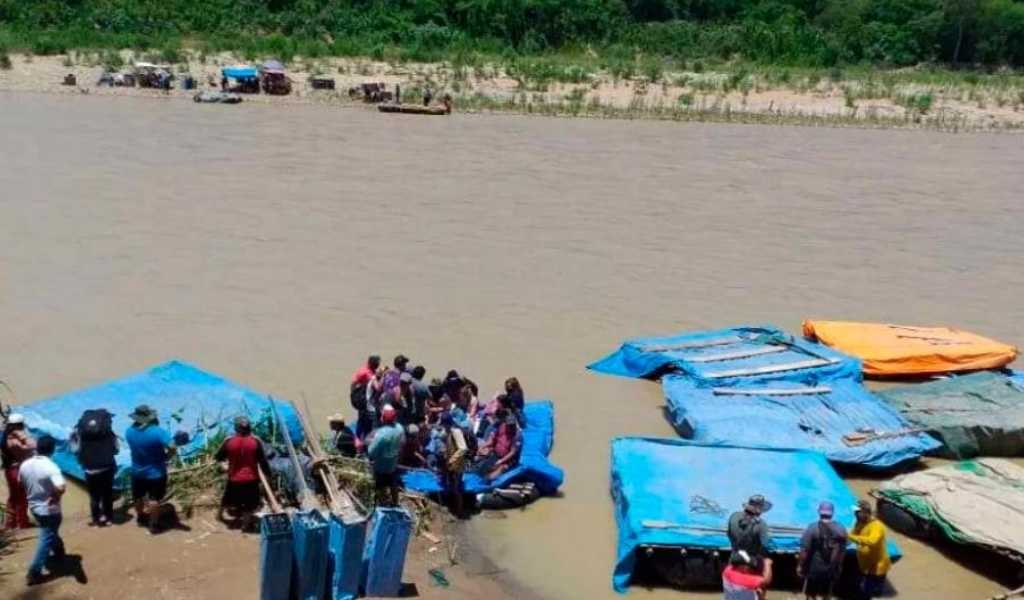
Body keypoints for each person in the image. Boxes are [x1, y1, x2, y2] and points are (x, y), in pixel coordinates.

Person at [19, 435, 67, 585]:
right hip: (50, 510)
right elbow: (61, 487)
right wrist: (54, 496)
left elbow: (20, 482)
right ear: (53, 450)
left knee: (49, 531)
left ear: (37, 447)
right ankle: (34, 572)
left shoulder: (25, 464)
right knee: (46, 537)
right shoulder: (51, 467)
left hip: (34, 507)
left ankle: (59, 550)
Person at [215, 416, 271, 531]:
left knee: (227, 498)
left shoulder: (229, 441)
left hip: (234, 477)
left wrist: (224, 466)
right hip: (251, 478)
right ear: (249, 428)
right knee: (249, 504)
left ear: (236, 428)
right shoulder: (255, 441)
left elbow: (218, 457)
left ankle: (219, 516)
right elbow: (263, 461)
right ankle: (245, 526)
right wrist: (268, 474)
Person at [124, 404, 175, 532]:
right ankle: (153, 524)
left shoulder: (128, 431)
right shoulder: (158, 432)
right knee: (154, 499)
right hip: (156, 473)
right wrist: (167, 456)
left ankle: (140, 517)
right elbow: (173, 447)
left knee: (138, 497)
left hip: (137, 471)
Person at [70, 408, 118, 527]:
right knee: (107, 494)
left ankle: (96, 521)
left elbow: (75, 450)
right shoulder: (108, 432)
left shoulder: (79, 431)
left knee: (94, 496)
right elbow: (116, 450)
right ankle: (108, 519)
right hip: (107, 467)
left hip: (90, 469)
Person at [798, 501, 847, 600]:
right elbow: (842, 551)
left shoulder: (812, 527)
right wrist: (839, 566)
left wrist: (800, 565)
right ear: (832, 513)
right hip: (831, 568)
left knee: (811, 594)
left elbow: (804, 550)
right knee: (826, 593)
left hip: (814, 568)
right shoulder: (841, 528)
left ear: (819, 512)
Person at [848, 499, 891, 600]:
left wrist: (850, 537)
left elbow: (872, 541)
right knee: (866, 587)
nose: (855, 514)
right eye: (855, 512)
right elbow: (853, 534)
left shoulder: (877, 526)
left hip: (877, 565)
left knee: (868, 592)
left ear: (865, 512)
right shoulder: (859, 523)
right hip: (865, 563)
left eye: (858, 512)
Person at [367, 404, 404, 507]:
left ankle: (380, 504)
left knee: (379, 484)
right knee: (393, 481)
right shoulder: (400, 429)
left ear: (383, 418)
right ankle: (395, 502)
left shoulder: (381, 435)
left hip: (381, 466)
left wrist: (370, 441)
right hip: (393, 463)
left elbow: (371, 452)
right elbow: (402, 444)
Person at [2, 414, 34, 529]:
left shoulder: (5, 435)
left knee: (14, 496)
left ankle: (10, 523)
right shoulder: (14, 439)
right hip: (16, 469)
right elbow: (32, 446)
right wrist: (23, 437)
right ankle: (22, 523)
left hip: (9, 469)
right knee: (22, 496)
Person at [475, 409, 522, 480]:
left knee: (490, 477)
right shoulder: (502, 427)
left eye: (512, 426)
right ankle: (495, 467)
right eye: (509, 426)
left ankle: (501, 468)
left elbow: (512, 452)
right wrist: (483, 446)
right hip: (496, 454)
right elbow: (492, 441)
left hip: (508, 459)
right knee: (481, 471)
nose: (510, 428)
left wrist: (501, 461)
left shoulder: (517, 435)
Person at [728, 495, 772, 564]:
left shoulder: (734, 516)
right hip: (750, 564)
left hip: (734, 560)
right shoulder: (761, 524)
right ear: (759, 509)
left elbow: (729, 534)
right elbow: (765, 544)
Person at [351, 355, 381, 440]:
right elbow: (377, 387)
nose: (378, 365)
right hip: (365, 401)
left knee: (361, 420)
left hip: (360, 399)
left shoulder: (363, 370)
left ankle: (357, 439)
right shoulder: (368, 374)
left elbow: (353, 383)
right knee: (367, 423)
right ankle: (364, 441)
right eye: (377, 363)